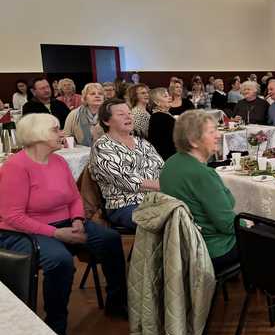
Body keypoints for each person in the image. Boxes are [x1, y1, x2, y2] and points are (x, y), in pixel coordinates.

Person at [0, 113, 127, 335]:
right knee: (60, 261)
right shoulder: (16, 167)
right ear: (37, 135)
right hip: (24, 231)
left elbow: (74, 198)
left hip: (66, 222)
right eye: (56, 130)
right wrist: (58, 233)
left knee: (109, 239)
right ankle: (56, 325)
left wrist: (78, 221)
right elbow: (12, 217)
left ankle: (116, 301)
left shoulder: (58, 161)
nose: (62, 134)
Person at [159, 110, 239, 270]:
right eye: (211, 132)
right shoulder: (202, 174)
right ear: (194, 141)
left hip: (181, 245)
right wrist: (248, 224)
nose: (218, 135)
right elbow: (228, 225)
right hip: (211, 248)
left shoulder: (170, 163)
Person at [90, 99, 164, 231]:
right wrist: (166, 184)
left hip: (156, 199)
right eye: (121, 114)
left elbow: (162, 168)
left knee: (192, 212)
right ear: (107, 121)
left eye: (129, 113)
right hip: (124, 205)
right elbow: (129, 182)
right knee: (167, 222)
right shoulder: (103, 146)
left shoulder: (142, 143)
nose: (128, 116)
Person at [147, 87, 178, 160]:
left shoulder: (159, 115)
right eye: (165, 96)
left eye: (168, 95)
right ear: (157, 102)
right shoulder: (161, 118)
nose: (169, 98)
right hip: (168, 159)